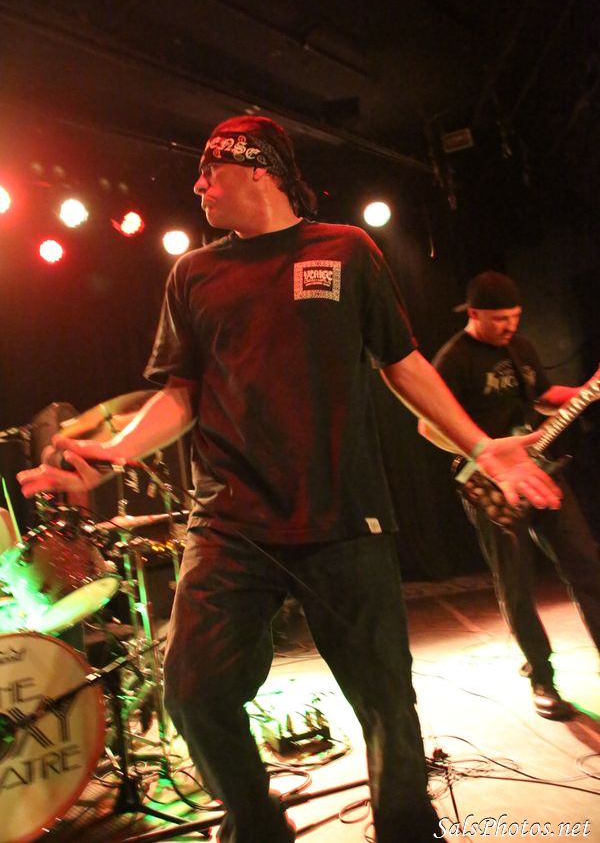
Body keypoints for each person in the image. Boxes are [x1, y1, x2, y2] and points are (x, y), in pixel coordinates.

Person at [18, 119, 562, 843]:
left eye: (210, 170)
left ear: (258, 168)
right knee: (194, 693)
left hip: (345, 518)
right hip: (231, 523)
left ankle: (405, 829)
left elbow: (401, 364)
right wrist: (114, 452)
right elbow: (181, 395)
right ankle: (257, 827)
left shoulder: (347, 250)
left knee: (387, 707)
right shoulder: (193, 274)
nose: (197, 185)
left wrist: (483, 446)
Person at [419, 271, 600, 720]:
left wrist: (586, 392)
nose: (510, 326)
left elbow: (543, 397)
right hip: (489, 481)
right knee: (516, 584)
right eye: (500, 318)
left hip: (536, 471)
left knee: (587, 563)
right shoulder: (454, 358)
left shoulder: (521, 348)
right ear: (474, 314)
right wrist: (484, 452)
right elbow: (428, 426)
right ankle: (541, 676)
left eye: (515, 316)